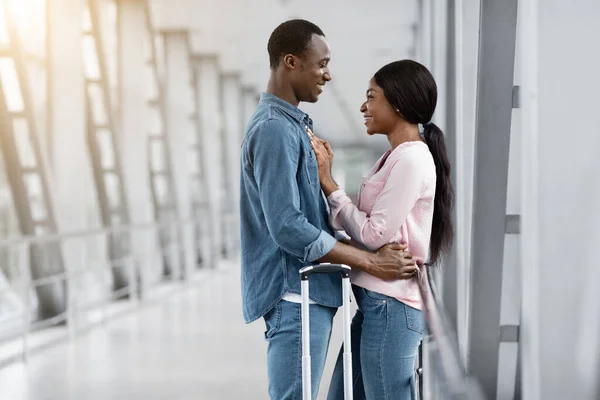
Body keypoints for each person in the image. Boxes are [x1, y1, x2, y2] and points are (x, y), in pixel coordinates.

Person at [239, 21, 418, 400]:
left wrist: (368, 253)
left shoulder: (293, 128)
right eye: (321, 64)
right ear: (290, 62)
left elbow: (309, 219)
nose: (327, 74)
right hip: (294, 294)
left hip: (309, 292)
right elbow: (288, 226)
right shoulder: (274, 130)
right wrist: (370, 262)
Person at [308, 59, 455, 400]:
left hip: (392, 308)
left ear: (398, 103)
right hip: (377, 306)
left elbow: (374, 233)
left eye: (371, 97)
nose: (364, 106)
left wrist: (330, 185)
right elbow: (369, 231)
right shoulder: (393, 157)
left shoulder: (412, 159)